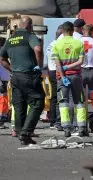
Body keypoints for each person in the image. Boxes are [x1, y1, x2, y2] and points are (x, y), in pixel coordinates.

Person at [0, 16, 44, 145]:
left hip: (15, 77)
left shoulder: (11, 39)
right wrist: (39, 66)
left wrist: (12, 69)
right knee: (37, 102)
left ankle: (20, 133)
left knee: (19, 105)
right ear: (29, 25)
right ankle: (26, 132)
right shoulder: (30, 36)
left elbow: (2, 59)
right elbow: (38, 49)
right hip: (29, 75)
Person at [52, 21, 87, 137]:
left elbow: (58, 65)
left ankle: (66, 128)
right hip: (76, 76)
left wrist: (63, 76)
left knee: (63, 102)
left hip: (62, 78)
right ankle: (82, 127)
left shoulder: (57, 44)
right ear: (73, 30)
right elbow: (81, 62)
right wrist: (70, 66)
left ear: (62, 30)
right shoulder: (79, 43)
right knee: (79, 101)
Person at [45, 25, 64, 131]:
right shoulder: (59, 45)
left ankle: (52, 120)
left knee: (53, 97)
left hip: (50, 71)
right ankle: (56, 120)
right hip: (57, 72)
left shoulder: (50, 45)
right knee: (59, 97)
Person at [0, 64, 10, 129]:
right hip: (2, 82)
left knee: (5, 100)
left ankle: (1, 122)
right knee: (3, 100)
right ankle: (1, 119)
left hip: (7, 81)